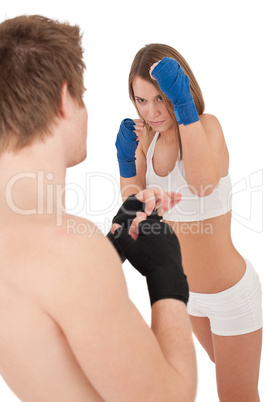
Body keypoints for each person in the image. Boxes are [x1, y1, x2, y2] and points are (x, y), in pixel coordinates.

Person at [0, 16, 197, 402]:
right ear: (63, 99)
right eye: (82, 95)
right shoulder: (68, 250)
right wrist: (167, 274)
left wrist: (112, 247)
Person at [116, 43, 263, 402]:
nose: (151, 111)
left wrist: (184, 109)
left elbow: (202, 184)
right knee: (223, 364)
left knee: (237, 394)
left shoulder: (208, 126)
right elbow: (134, 204)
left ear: (181, 91)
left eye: (161, 98)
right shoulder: (147, 140)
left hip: (230, 294)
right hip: (187, 296)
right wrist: (125, 159)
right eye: (141, 100)